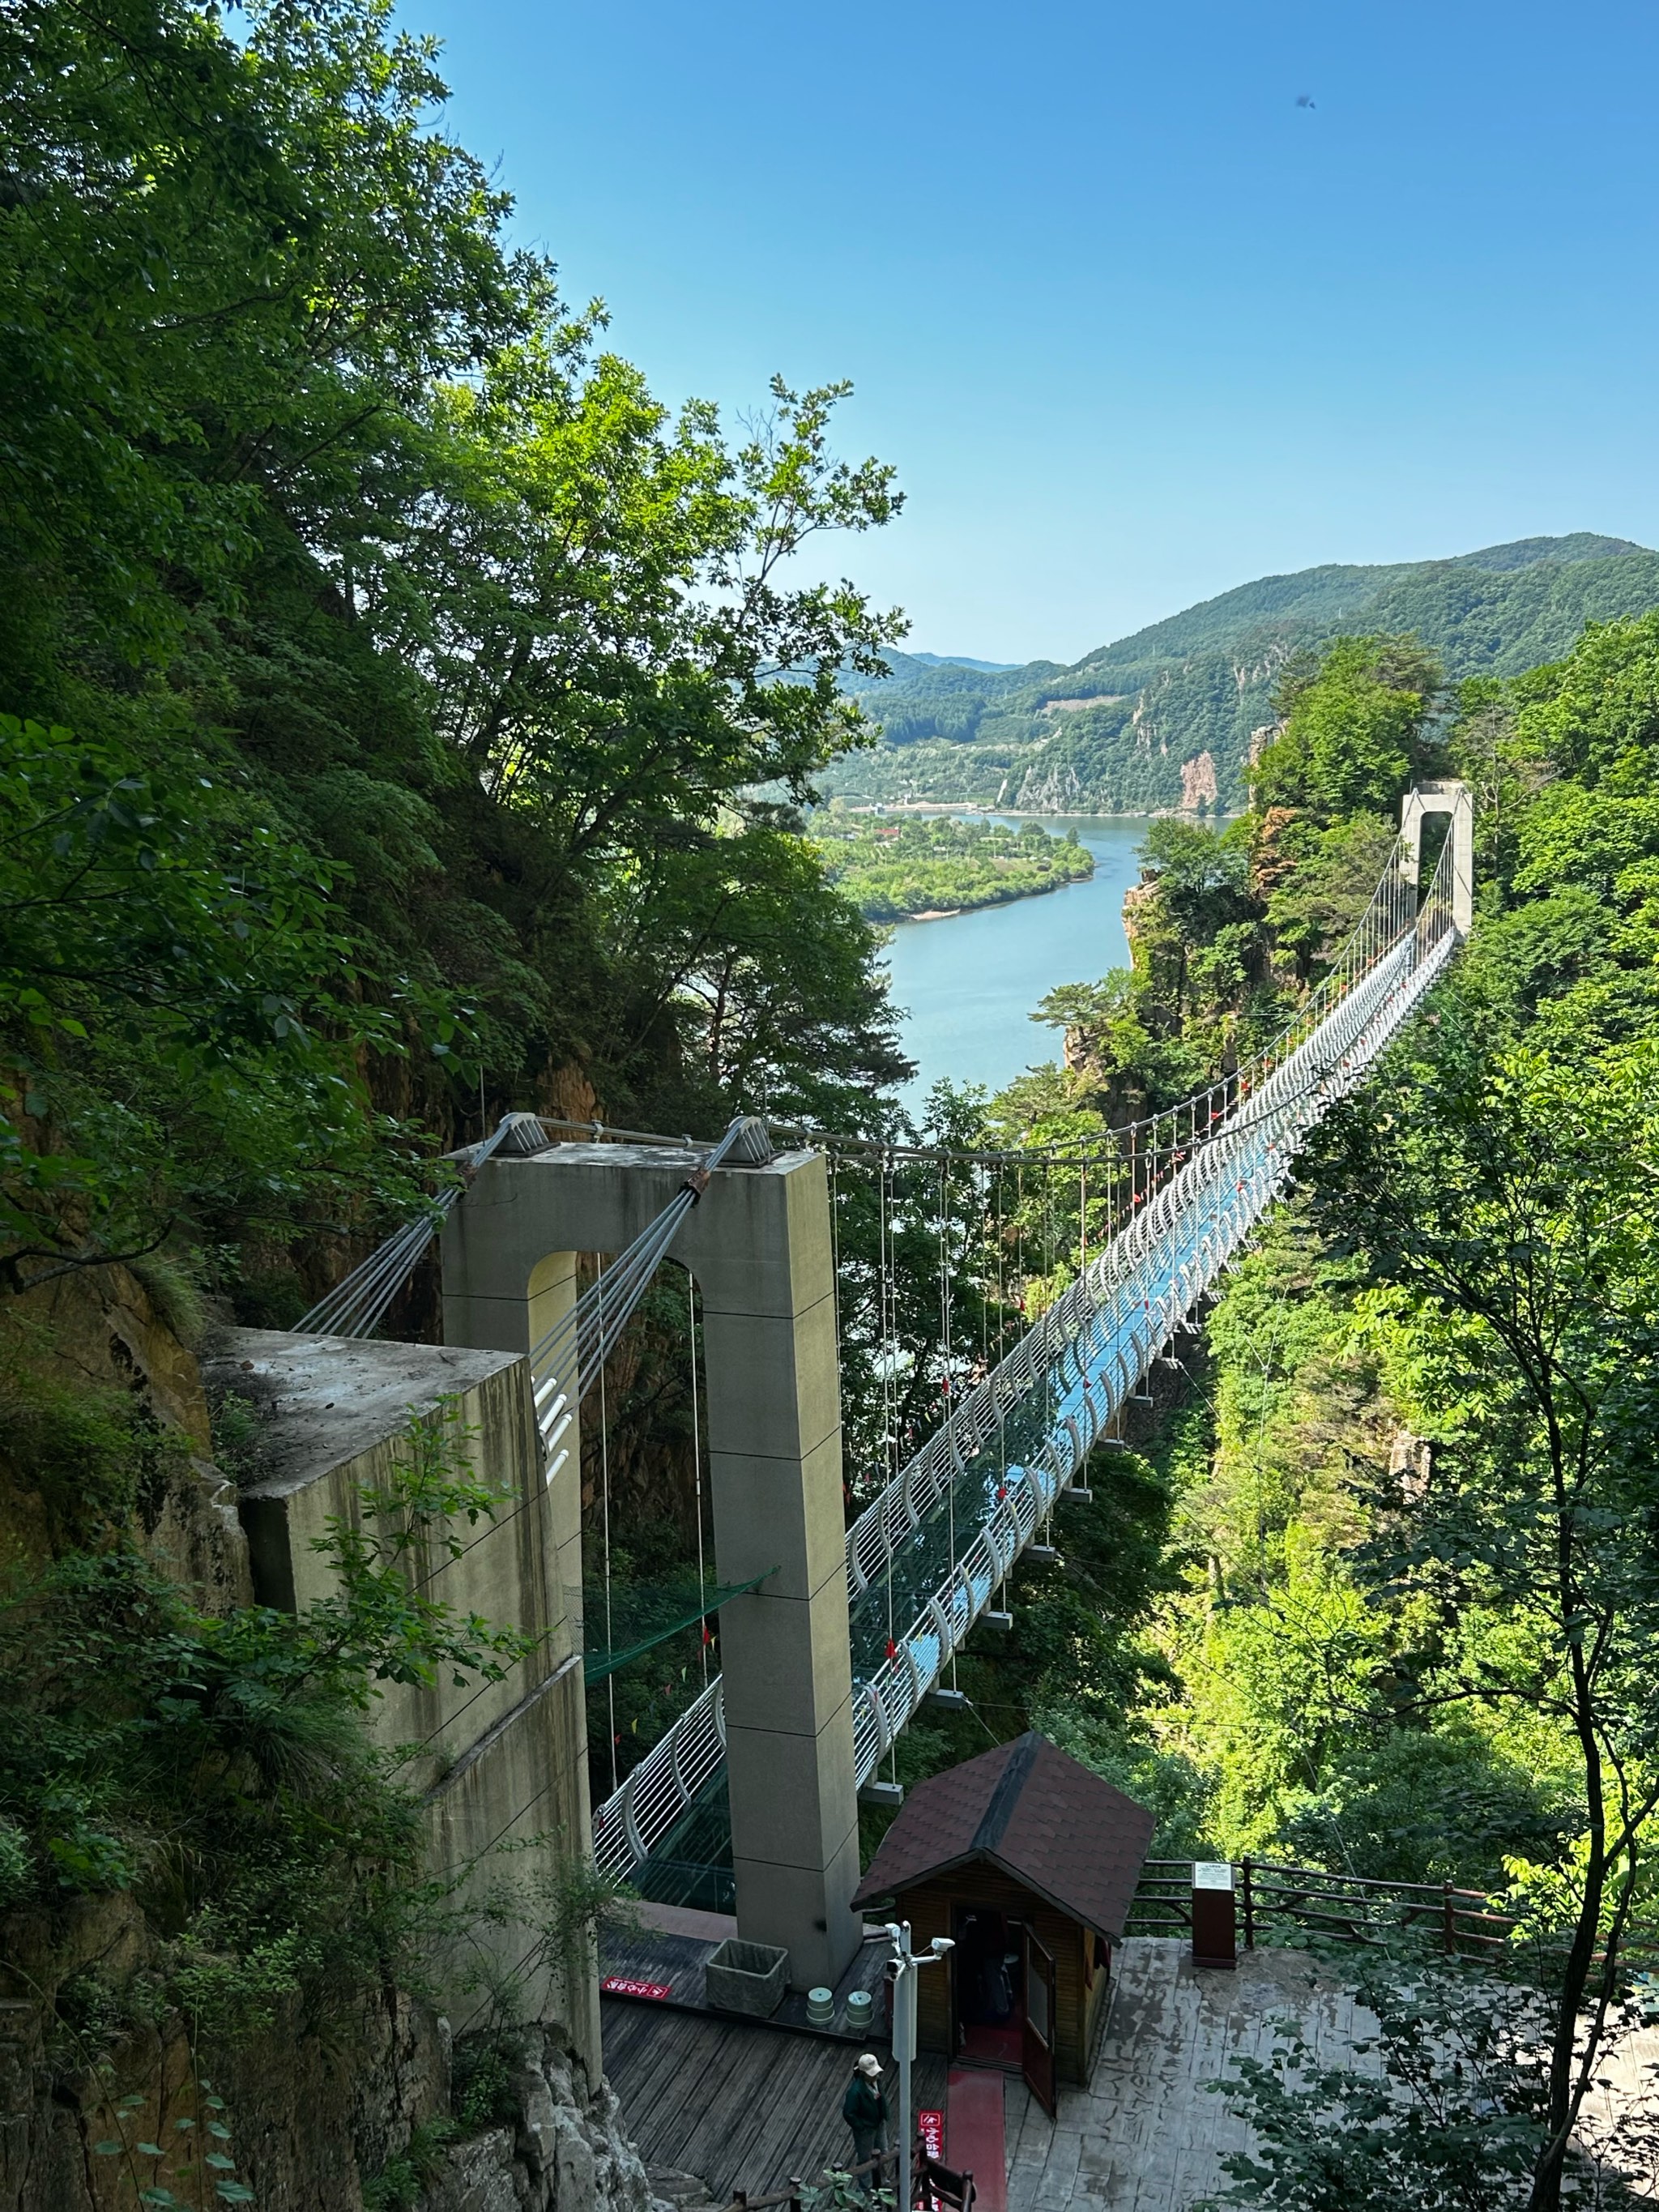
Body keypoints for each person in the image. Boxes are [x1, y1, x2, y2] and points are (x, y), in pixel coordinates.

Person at [841, 2052, 889, 2193]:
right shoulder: (855, 2092)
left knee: (884, 2152)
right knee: (865, 2158)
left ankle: (883, 2180)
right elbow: (848, 2113)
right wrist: (861, 2127)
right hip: (866, 2129)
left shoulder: (876, 2081)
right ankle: (865, 2188)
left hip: (879, 2123)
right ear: (863, 2074)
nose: (875, 2075)